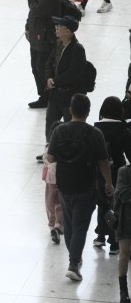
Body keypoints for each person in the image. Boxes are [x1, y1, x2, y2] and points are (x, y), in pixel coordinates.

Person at [46, 93, 113, 283]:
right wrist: (108, 183)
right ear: (88, 111)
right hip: (86, 185)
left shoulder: (59, 131)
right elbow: (103, 161)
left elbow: (50, 158)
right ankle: (73, 264)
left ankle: (74, 258)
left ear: (70, 110)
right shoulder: (95, 134)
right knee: (81, 225)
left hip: (65, 184)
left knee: (69, 223)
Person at [93, 97, 131, 255]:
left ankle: (100, 235)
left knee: (102, 202)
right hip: (118, 171)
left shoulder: (96, 131)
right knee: (116, 205)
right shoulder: (124, 131)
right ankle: (114, 241)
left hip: (98, 171)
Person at [42, 14, 86, 143]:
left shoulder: (78, 49)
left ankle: (70, 149)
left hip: (69, 96)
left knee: (70, 126)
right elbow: (49, 63)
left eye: (59, 26)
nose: (56, 28)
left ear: (68, 31)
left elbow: (74, 73)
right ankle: (49, 149)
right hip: (55, 94)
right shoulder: (59, 44)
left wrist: (55, 81)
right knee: (50, 124)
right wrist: (48, 78)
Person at [25, 0, 61, 109]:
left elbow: (37, 9)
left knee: (42, 67)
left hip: (45, 38)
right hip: (36, 35)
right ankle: (43, 96)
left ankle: (48, 96)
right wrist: (27, 27)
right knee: (35, 66)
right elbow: (32, 13)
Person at [111, 163, 131, 303]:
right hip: (126, 219)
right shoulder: (124, 171)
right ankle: (123, 291)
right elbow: (122, 194)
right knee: (125, 253)